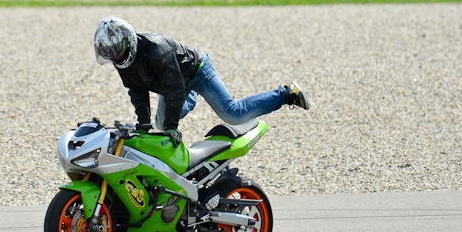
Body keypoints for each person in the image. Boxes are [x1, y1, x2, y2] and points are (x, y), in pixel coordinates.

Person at [93, 17, 309, 147]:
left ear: (129, 41)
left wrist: (172, 128)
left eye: (119, 53)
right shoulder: (121, 61)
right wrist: (143, 126)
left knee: (233, 114)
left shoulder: (157, 50)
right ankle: (190, 98)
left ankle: (286, 93)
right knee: (158, 124)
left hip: (197, 71)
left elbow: (174, 89)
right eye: (113, 55)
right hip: (172, 81)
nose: (117, 58)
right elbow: (137, 91)